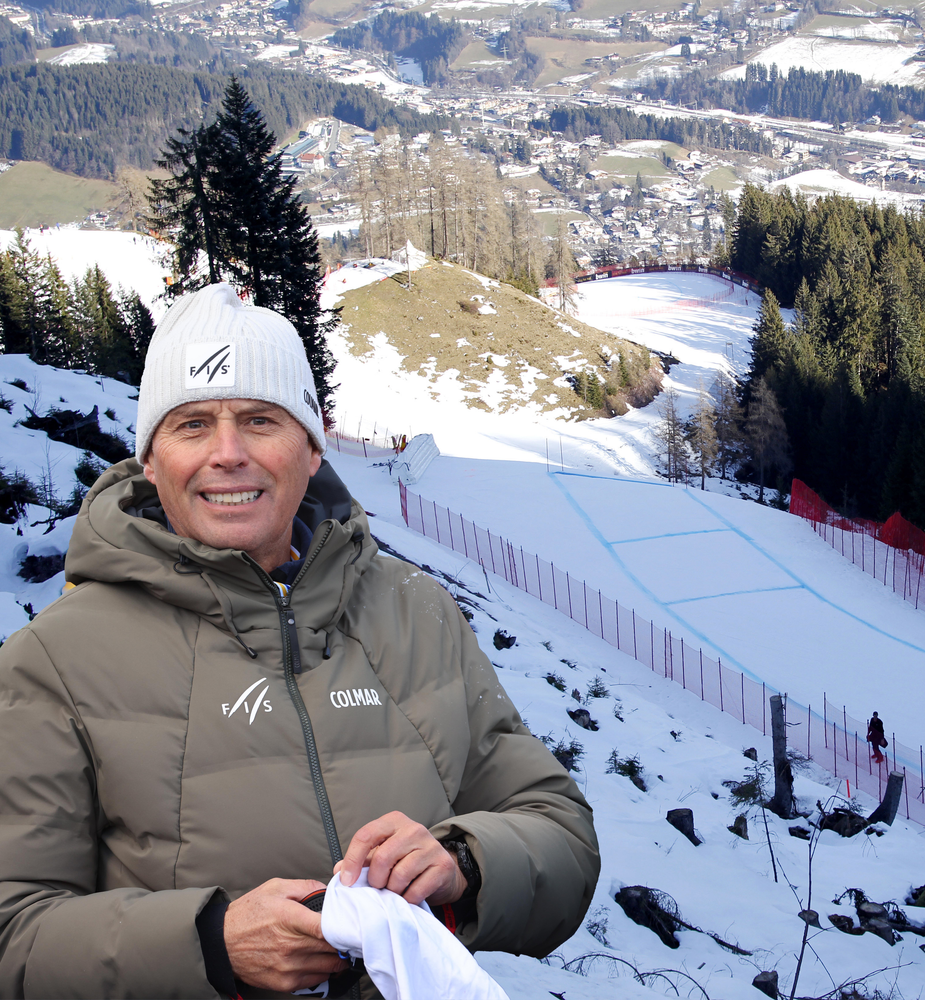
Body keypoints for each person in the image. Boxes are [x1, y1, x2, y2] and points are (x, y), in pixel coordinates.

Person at [0, 285, 600, 998]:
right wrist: (210, 946)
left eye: (261, 419)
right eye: (191, 425)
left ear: (312, 449)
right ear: (151, 462)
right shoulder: (55, 661)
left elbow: (562, 834)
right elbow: (15, 937)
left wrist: (465, 864)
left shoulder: (417, 613)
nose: (228, 454)